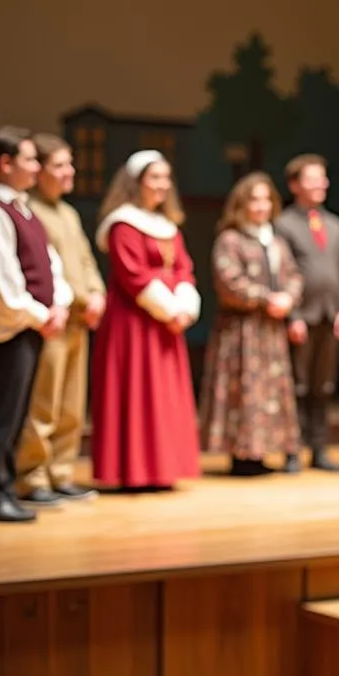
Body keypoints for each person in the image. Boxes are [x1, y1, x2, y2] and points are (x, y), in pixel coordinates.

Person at [0, 126, 73, 523]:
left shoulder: (21, 209)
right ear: (4, 165)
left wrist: (58, 304)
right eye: (29, 159)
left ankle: (0, 488)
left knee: (13, 415)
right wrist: (40, 316)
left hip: (24, 329)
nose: (37, 167)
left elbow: (50, 264)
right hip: (0, 332)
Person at [90, 150, 202, 490]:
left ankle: (162, 468)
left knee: (163, 394)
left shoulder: (169, 226)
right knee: (138, 392)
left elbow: (183, 267)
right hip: (135, 323)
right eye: (154, 178)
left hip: (166, 324)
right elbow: (133, 275)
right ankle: (134, 470)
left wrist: (183, 307)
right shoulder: (123, 224)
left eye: (166, 178)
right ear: (135, 183)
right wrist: (169, 310)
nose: (162, 185)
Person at [15, 133, 105, 505]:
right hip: (52, 318)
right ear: (39, 171)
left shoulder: (67, 212)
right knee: (43, 402)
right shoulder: (29, 210)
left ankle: (61, 472)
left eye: (70, 164)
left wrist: (97, 292)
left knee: (71, 403)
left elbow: (84, 259)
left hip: (79, 319)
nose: (70, 172)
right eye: (60, 165)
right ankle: (32, 476)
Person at [199, 173, 303, 476]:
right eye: (253, 199)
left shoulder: (277, 241)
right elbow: (229, 281)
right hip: (241, 330)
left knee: (269, 391)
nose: (260, 206)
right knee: (243, 388)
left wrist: (288, 298)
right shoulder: (230, 240)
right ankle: (241, 454)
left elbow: (294, 275)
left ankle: (262, 451)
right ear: (240, 204)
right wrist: (265, 298)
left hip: (271, 329)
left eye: (265, 199)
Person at [274, 154, 339, 473]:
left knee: (324, 385)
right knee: (297, 384)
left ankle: (319, 447)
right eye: (312, 179)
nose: (320, 185)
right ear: (294, 185)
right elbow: (282, 271)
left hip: (330, 315)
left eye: (323, 178)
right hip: (301, 316)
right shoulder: (283, 224)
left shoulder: (336, 225)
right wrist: (292, 314)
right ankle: (292, 449)